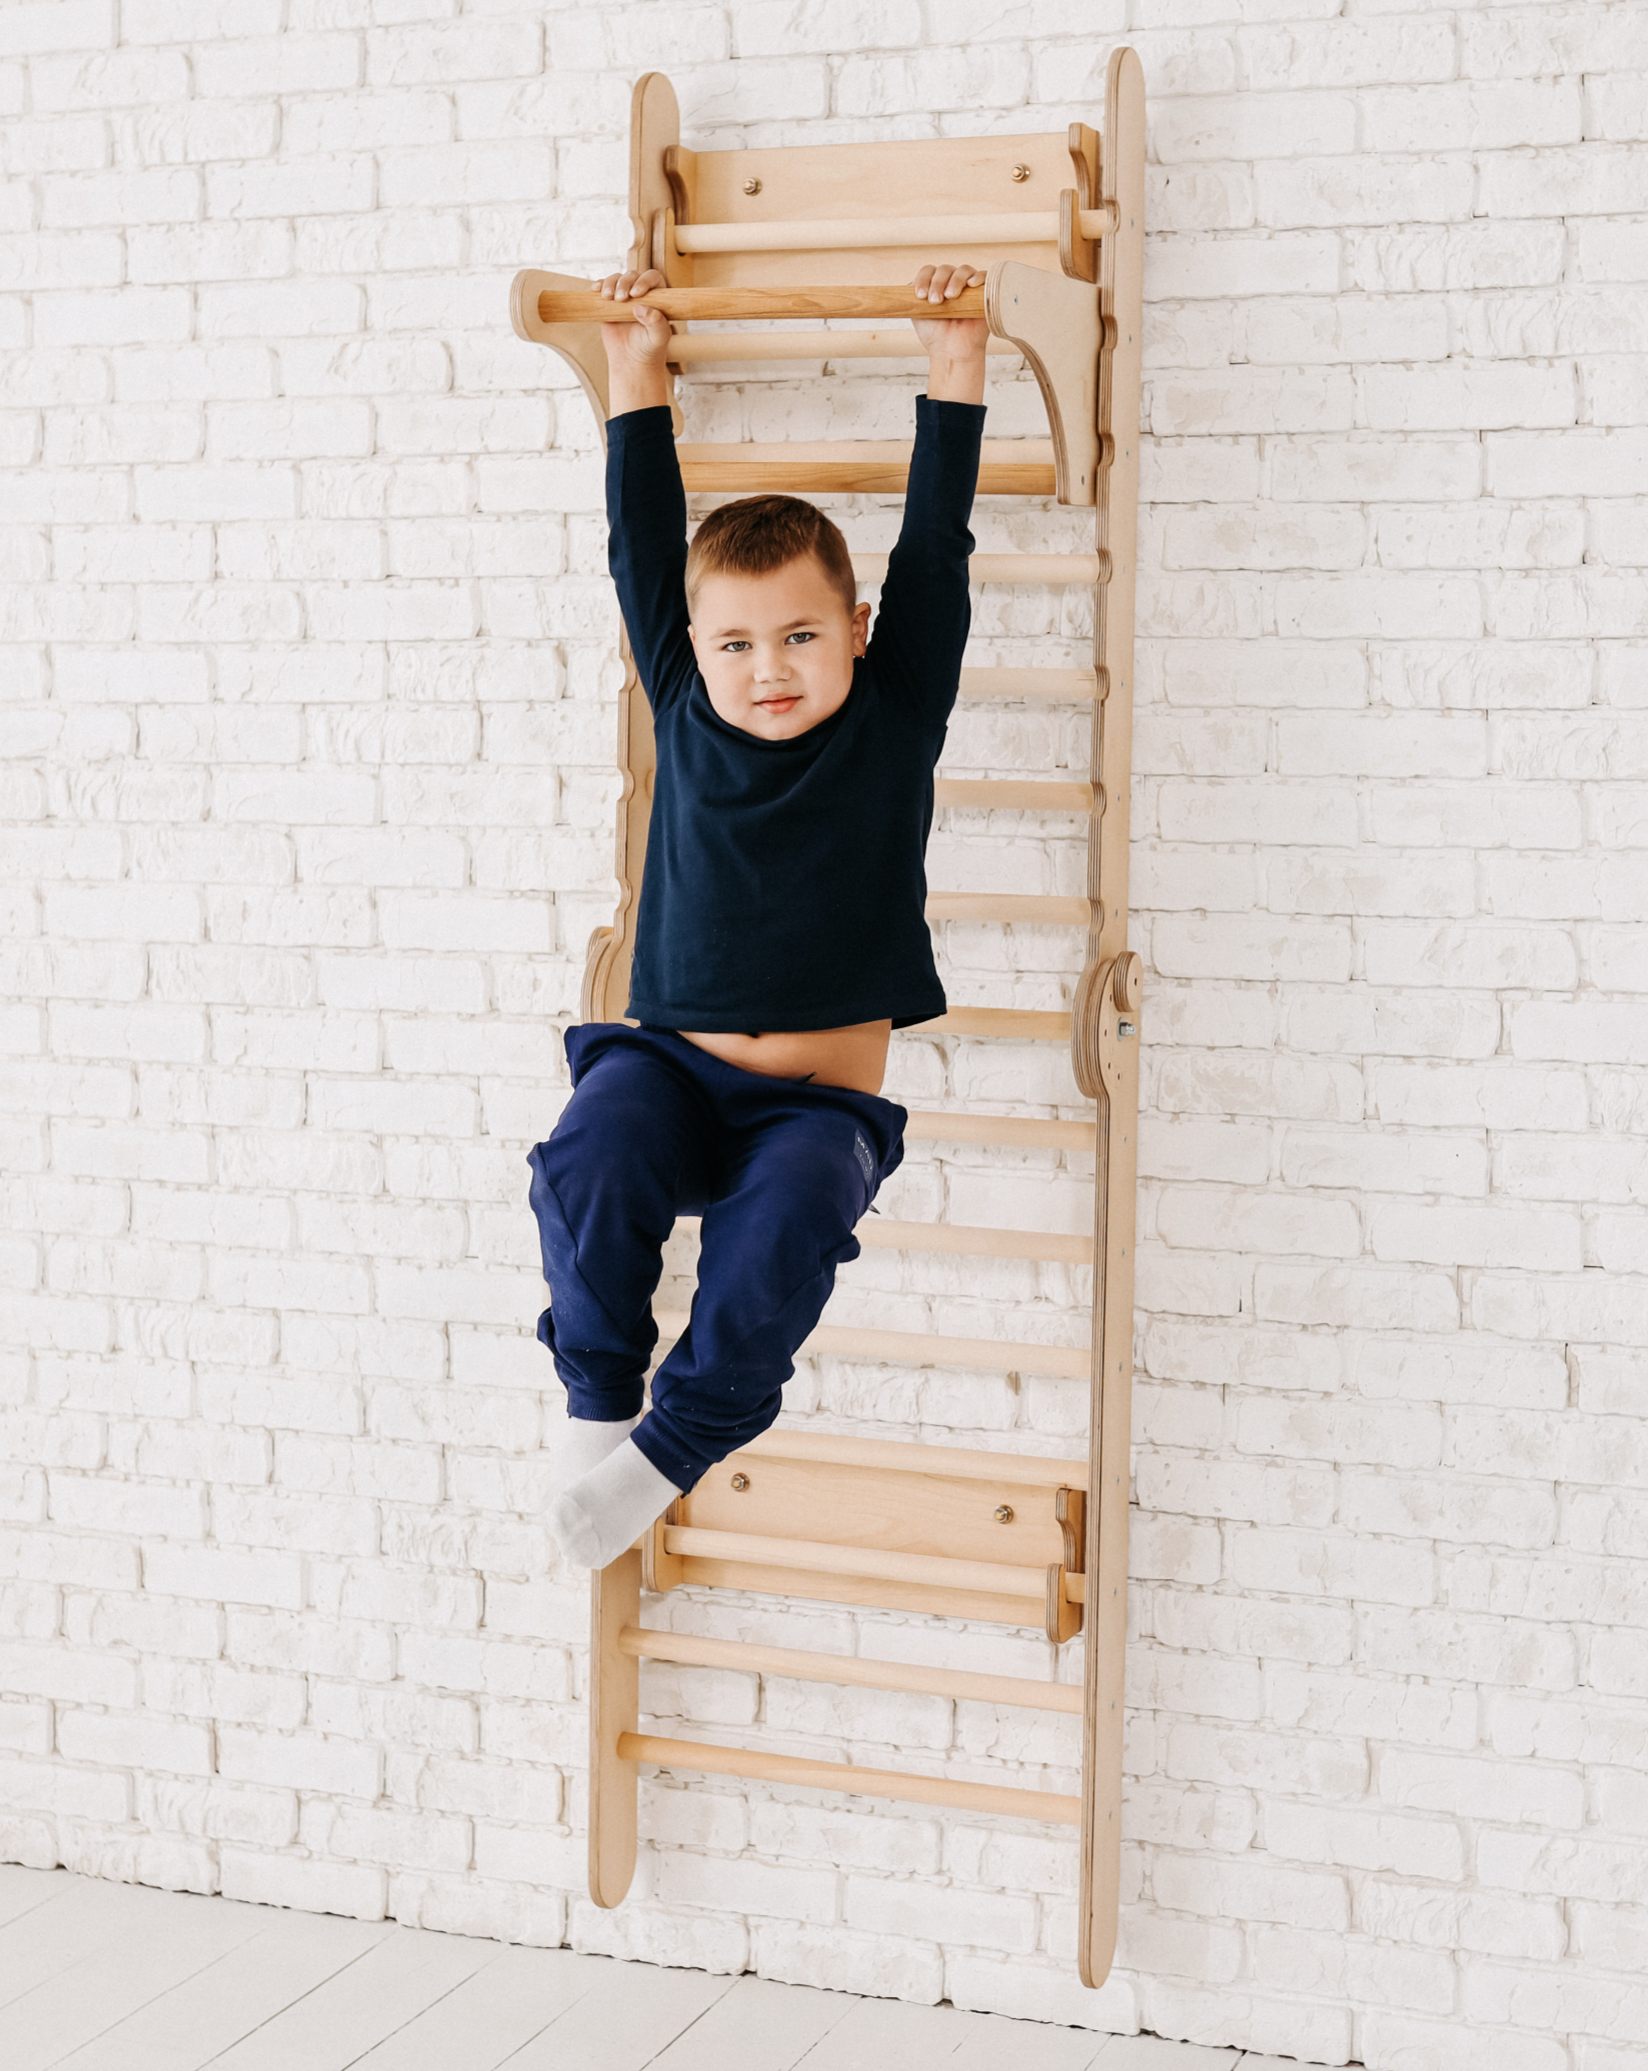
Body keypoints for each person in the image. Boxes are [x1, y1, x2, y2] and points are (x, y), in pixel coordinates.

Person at [528, 259, 988, 1569]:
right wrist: (634, 367)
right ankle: (598, 1405)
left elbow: (937, 545)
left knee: (783, 1229)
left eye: (798, 636)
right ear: (696, 642)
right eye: (737, 642)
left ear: (852, 629)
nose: (766, 668)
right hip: (665, 1070)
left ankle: (672, 1447)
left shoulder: (895, 712)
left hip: (813, 1108)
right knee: (587, 1157)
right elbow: (639, 537)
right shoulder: (679, 694)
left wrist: (954, 358)